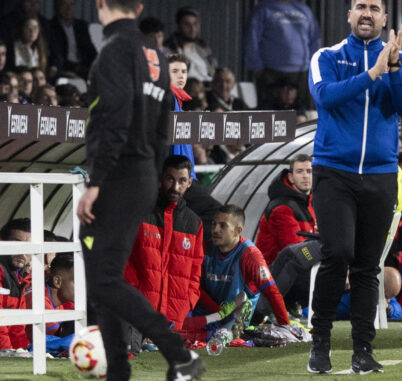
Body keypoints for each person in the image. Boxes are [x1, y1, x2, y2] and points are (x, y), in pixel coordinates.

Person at [75, 1, 204, 380]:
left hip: (117, 176)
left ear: (100, 5)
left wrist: (95, 182)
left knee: (104, 278)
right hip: (143, 173)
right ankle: (119, 369)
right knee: (101, 276)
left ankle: (178, 354)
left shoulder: (114, 50)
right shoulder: (155, 55)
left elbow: (113, 120)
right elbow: (163, 128)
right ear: (139, 7)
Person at [307, 0, 402, 374]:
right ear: (349, 15)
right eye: (360, 6)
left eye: (374, 7)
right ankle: (319, 341)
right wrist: (371, 74)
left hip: (380, 175)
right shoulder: (327, 56)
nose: (367, 13)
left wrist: (394, 68)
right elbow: (325, 97)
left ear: (384, 19)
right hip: (333, 172)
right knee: (337, 254)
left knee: (369, 266)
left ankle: (362, 351)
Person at [123, 155, 204, 335]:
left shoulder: (194, 222)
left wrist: (188, 302)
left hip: (175, 318)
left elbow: (196, 270)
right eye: (170, 179)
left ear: (189, 183)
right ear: (161, 178)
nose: (175, 187)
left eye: (182, 181)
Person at [184, 205, 292, 339]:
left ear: (237, 231)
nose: (215, 230)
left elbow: (272, 292)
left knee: (212, 337)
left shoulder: (250, 255)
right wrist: (219, 312)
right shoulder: (205, 247)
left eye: (223, 226)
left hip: (233, 320)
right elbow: (195, 287)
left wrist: (286, 326)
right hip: (209, 313)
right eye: (214, 224)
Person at [244, 0, 321, 110]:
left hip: (301, 72)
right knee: (269, 113)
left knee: (299, 114)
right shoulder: (263, 8)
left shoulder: (304, 10)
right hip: (270, 72)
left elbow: (315, 40)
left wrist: (314, 65)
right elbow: (252, 38)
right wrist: (256, 66)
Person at [255, 154, 316, 264]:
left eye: (309, 171)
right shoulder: (281, 209)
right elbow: (297, 251)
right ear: (291, 177)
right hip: (274, 276)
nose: (305, 176)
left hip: (297, 271)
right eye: (299, 171)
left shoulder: (312, 202)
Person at [24, 252, 75, 341]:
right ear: (57, 281)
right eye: (77, 282)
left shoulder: (60, 299)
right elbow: (55, 344)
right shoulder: (39, 303)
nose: (84, 287)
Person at [0, 218, 31, 350]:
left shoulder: (22, 277)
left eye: (29, 246)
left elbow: (17, 326)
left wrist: (22, 353)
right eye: (16, 244)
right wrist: (8, 353)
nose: (22, 252)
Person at [164, 6, 217, 82]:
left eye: (195, 24)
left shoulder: (203, 48)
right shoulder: (169, 49)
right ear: (178, 26)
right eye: (187, 25)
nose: (193, 29)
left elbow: (213, 71)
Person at [47, 0, 98, 78]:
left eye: (72, 4)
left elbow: (90, 50)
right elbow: (56, 55)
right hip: (64, 68)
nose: (68, 8)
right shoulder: (50, 27)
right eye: (64, 5)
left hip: (84, 67)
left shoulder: (81, 26)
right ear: (56, 7)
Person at [167, 53, 197, 180]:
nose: (181, 75)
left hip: (182, 174)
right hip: (176, 176)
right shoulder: (168, 97)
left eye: (184, 71)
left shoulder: (177, 99)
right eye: (175, 71)